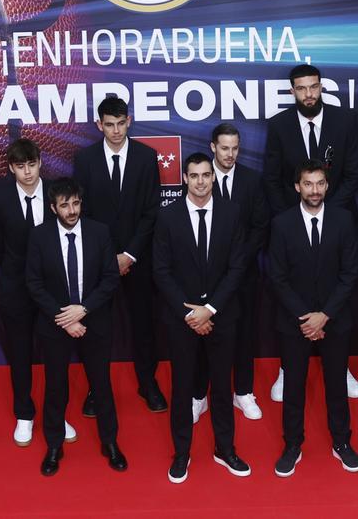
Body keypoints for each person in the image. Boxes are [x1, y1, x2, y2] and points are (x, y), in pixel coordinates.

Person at [263, 64, 358, 402]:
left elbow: (353, 173)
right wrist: (292, 218)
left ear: (322, 87)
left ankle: (342, 365)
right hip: (293, 225)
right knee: (292, 288)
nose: (308, 94)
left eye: (313, 87)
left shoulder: (345, 121)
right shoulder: (279, 126)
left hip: (336, 224)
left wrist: (328, 211)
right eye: (301, 88)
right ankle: (286, 369)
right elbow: (273, 178)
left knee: (338, 288)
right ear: (292, 91)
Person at [154, 153, 250, 483]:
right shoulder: (167, 217)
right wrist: (190, 313)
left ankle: (225, 449)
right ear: (184, 178)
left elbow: (238, 267)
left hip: (221, 317)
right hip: (181, 319)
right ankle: (182, 453)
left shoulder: (232, 213)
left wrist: (209, 310)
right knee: (182, 388)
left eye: (205, 175)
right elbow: (161, 271)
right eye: (193, 175)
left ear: (213, 177)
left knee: (222, 387)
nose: (200, 181)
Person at [25, 177, 126, 476]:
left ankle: (110, 442)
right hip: (56, 324)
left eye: (76, 203)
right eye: (65, 205)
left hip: (94, 320)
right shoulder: (39, 236)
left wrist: (83, 310)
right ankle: (54, 445)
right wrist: (65, 318)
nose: (72, 210)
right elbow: (34, 283)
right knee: (55, 387)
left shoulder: (99, 232)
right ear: (54, 207)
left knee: (102, 386)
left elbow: (110, 278)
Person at [268, 161, 358, 477]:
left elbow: (350, 273)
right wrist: (306, 319)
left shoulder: (344, 220)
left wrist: (325, 316)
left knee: (336, 385)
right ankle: (292, 445)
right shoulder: (281, 223)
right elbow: (277, 277)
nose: (315, 190)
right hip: (295, 323)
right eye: (308, 184)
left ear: (327, 185)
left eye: (320, 183)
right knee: (294, 387)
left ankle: (342, 443)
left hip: (335, 320)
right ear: (297, 187)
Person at [71, 96, 165, 413]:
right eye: (108, 125)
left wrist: (130, 255)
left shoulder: (146, 157)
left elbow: (152, 212)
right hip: (100, 260)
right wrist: (110, 256)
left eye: (120, 123)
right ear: (99, 125)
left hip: (138, 260)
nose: (115, 130)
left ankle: (147, 383)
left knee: (144, 325)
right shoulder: (84, 160)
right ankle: (97, 390)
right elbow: (83, 213)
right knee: (98, 328)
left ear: (129, 120)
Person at [0, 138, 76, 446]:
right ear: (11, 167)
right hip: (15, 291)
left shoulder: (56, 192)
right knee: (21, 355)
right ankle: (24, 415)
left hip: (54, 292)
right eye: (20, 167)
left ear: (40, 162)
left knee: (57, 358)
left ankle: (57, 415)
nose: (27, 172)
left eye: (32, 165)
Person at [202, 123, 270, 422]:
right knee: (204, 336)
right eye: (225, 148)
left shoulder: (253, 180)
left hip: (244, 276)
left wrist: (237, 262)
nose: (230, 154)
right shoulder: (201, 180)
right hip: (206, 277)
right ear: (213, 147)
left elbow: (260, 226)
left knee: (244, 334)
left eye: (235, 148)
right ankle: (198, 395)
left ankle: (243, 392)